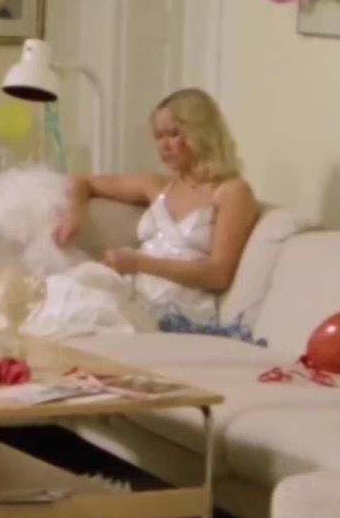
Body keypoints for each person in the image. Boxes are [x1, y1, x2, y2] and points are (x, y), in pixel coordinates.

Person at [34, 87, 257, 333]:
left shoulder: (233, 191)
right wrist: (74, 213)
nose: (164, 145)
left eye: (173, 134)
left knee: (86, 308)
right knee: (61, 288)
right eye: (158, 136)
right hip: (133, 289)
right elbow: (82, 181)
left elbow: (219, 274)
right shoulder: (158, 185)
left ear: (202, 133)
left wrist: (139, 263)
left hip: (179, 310)